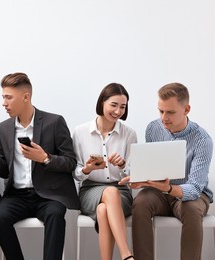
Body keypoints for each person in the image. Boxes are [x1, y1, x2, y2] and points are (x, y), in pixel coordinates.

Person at [0, 72, 80, 260]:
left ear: (26, 97)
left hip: (48, 195)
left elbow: (70, 162)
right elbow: (4, 172)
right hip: (17, 195)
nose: (4, 103)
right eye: (3, 97)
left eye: (8, 97)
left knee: (55, 217)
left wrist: (45, 158)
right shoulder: (3, 128)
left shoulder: (54, 122)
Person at [120, 83, 213, 260]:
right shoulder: (153, 128)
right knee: (141, 202)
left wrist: (169, 188)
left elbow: (194, 189)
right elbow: (152, 166)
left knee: (191, 208)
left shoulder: (202, 140)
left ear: (186, 109)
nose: (164, 118)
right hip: (160, 193)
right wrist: (141, 177)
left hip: (192, 195)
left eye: (170, 112)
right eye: (160, 111)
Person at [72, 83, 136, 260]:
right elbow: (75, 173)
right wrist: (87, 169)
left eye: (122, 107)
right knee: (108, 194)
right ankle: (126, 255)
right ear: (102, 102)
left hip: (121, 191)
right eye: (114, 105)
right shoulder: (80, 132)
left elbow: (133, 175)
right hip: (89, 190)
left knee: (103, 209)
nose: (118, 111)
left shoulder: (129, 134)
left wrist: (123, 166)